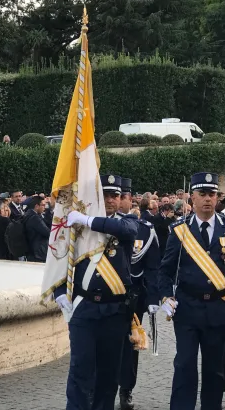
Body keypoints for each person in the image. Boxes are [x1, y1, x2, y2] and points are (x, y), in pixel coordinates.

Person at [159, 172, 225, 410]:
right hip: (187, 309)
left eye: (211, 194)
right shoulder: (179, 230)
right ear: (192, 197)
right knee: (184, 365)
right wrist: (165, 296)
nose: (207, 199)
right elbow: (165, 270)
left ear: (217, 198)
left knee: (215, 370)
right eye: (202, 194)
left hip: (218, 308)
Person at [54, 174, 139, 410]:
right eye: (106, 195)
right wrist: (59, 291)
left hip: (115, 311)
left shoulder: (127, 222)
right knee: (80, 370)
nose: (111, 200)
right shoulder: (77, 229)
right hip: (85, 308)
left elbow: (126, 230)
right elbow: (59, 259)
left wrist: (87, 219)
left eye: (116, 195)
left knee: (109, 374)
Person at [118, 178, 160, 410]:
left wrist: (153, 298)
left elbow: (153, 266)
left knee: (130, 346)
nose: (120, 200)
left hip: (134, 298)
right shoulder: (99, 226)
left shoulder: (146, 229)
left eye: (123, 196)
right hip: (107, 296)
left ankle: (126, 390)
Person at [23, 195, 50, 262]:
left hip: (32, 251)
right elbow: (47, 232)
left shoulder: (28, 214)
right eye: (43, 205)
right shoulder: (35, 218)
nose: (45, 207)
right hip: (38, 253)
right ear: (37, 206)